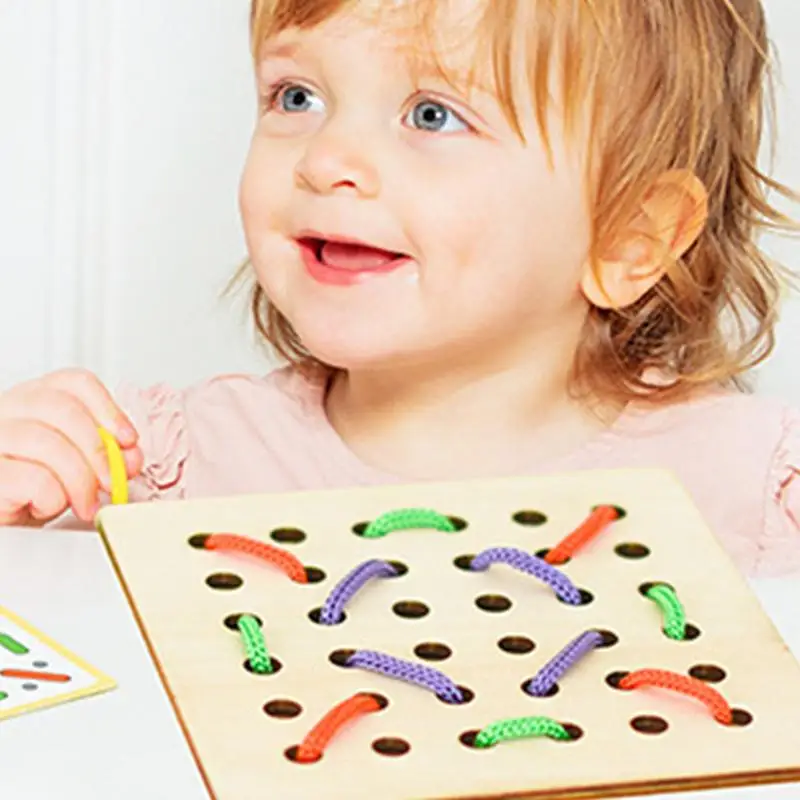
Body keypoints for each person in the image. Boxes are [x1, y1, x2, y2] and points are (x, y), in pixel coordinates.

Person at [0, 0, 798, 578]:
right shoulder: (152, 470)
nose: (325, 158)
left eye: (432, 114)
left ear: (632, 234)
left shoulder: (751, 488)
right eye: (296, 96)